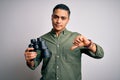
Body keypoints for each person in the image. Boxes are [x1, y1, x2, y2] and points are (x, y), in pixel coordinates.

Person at [24, 4, 104, 80]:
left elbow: (100, 54)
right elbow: (32, 66)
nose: (58, 21)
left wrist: (89, 44)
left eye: (63, 18)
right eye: (56, 17)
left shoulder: (77, 38)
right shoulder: (42, 39)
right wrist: (29, 60)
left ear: (68, 20)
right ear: (51, 17)